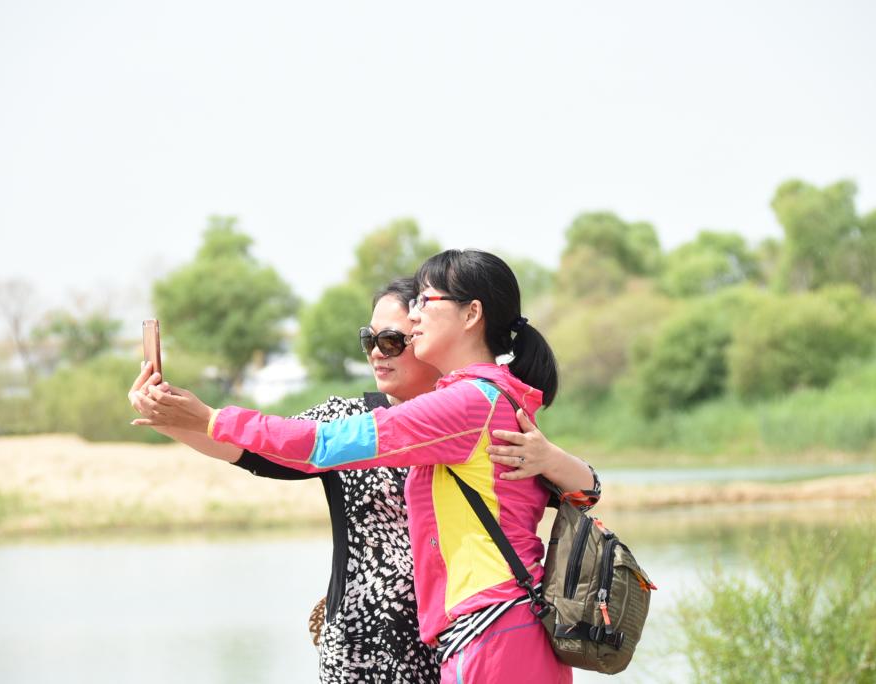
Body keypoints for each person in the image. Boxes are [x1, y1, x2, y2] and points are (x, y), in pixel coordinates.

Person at [129, 273, 598, 684]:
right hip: (364, 644)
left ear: (426, 336)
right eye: (368, 340)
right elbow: (262, 454)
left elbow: (575, 492)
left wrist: (552, 456)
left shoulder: (474, 410)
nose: (377, 353)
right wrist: (175, 419)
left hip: (453, 639)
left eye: (392, 340)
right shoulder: (352, 419)